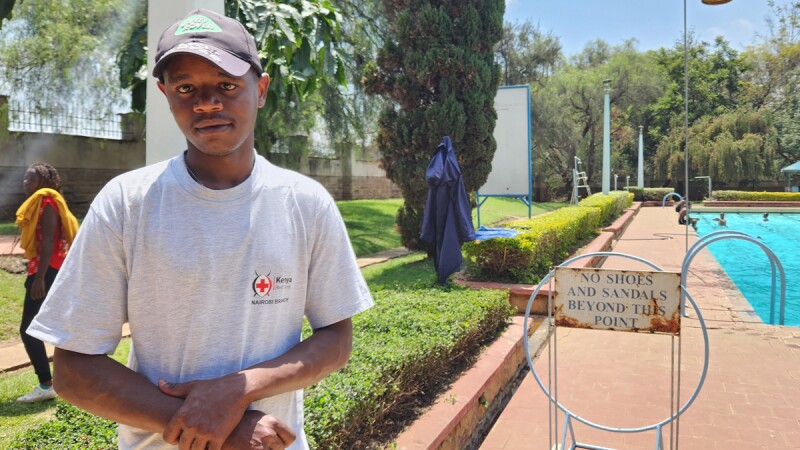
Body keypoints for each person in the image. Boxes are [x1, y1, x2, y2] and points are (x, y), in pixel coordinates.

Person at [27, 9, 373, 450]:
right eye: (186, 87)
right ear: (165, 94)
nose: (206, 102)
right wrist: (214, 425)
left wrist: (239, 389)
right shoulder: (128, 202)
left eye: (227, 85)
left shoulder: (305, 202)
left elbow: (335, 340)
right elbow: (74, 370)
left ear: (261, 89)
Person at [14, 162, 79, 403]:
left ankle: (46, 384)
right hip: (45, 270)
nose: (25, 183)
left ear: (42, 182)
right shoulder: (41, 202)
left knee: (28, 328)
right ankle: (63, 380)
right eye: (24, 179)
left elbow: (50, 241)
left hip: (47, 271)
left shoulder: (48, 203)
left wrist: (39, 279)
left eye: (29, 179)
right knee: (58, 326)